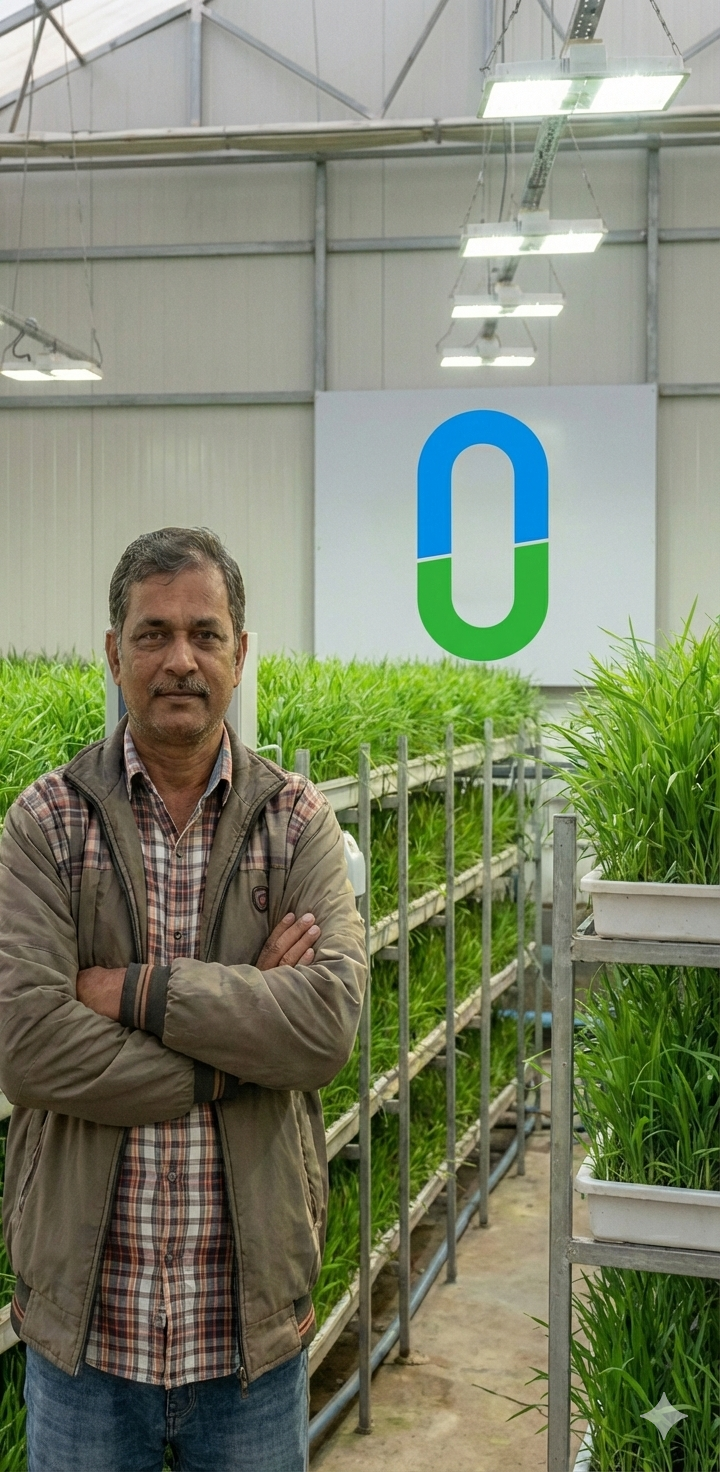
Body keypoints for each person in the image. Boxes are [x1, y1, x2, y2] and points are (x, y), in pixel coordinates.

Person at [0, 526, 366, 1472]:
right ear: (112, 649)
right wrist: (237, 1056)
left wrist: (130, 992)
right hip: (87, 1334)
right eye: (152, 633)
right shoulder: (44, 824)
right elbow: (29, 1042)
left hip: (247, 1339)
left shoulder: (298, 823)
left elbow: (326, 1027)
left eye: (205, 634)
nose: (180, 660)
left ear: (241, 653)